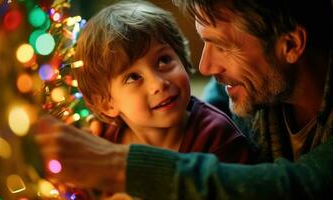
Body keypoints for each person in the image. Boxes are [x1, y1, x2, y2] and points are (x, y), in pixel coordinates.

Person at [34, 0, 333, 199]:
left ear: (290, 44)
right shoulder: (255, 83)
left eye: (221, 45)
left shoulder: (222, 138)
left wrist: (117, 167)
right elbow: (210, 105)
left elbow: (300, 187)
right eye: (133, 76)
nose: (206, 67)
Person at [75, 0, 252, 163]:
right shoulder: (102, 142)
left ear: (182, 58)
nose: (158, 83)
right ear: (106, 104)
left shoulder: (219, 139)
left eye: (164, 60)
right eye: (133, 77)